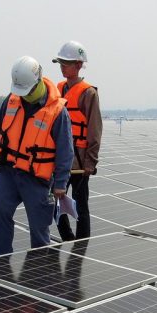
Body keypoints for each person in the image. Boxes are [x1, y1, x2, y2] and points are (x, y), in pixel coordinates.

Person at [0, 56, 73, 256]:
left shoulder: (57, 111)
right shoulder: (12, 100)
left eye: (28, 91)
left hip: (36, 179)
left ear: (38, 81)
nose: (25, 95)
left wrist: (60, 183)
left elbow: (66, 150)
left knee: (39, 227)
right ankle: (2, 263)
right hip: (8, 171)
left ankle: (38, 271)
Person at [51, 41, 102, 241]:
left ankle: (81, 246)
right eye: (61, 63)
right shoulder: (57, 90)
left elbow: (95, 129)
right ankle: (67, 239)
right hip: (58, 159)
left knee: (81, 205)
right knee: (56, 203)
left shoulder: (88, 93)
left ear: (79, 65)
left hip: (80, 161)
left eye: (67, 63)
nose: (63, 67)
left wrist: (90, 162)